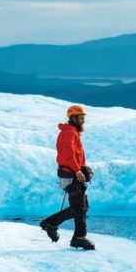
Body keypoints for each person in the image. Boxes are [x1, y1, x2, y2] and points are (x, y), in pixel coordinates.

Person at [40, 104, 95, 250]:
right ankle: (79, 238)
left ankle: (51, 223)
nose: (83, 121)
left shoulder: (71, 132)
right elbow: (69, 155)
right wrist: (78, 171)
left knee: (82, 206)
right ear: (73, 118)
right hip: (71, 174)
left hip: (70, 173)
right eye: (81, 118)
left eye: (84, 118)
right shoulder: (69, 133)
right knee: (80, 207)